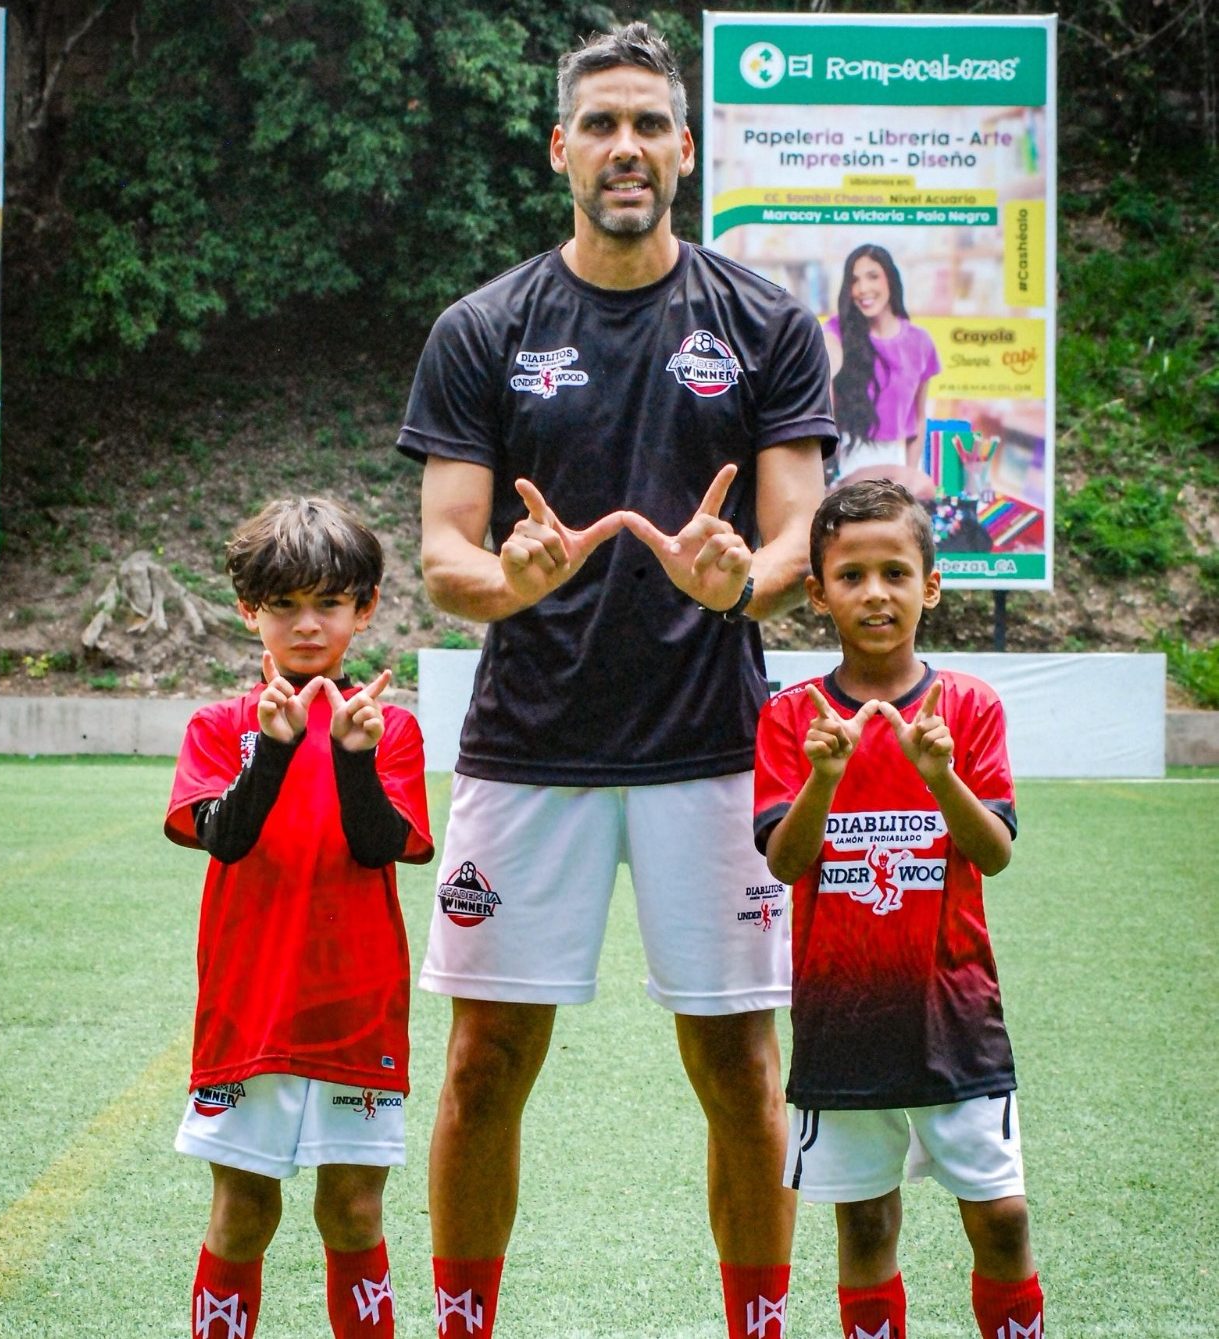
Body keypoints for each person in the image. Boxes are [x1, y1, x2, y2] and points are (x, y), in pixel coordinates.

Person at [396, 21, 835, 1338]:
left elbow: (790, 537)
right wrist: (507, 578)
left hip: (709, 743)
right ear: (558, 150)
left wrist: (738, 583)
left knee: (737, 1065)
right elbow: (439, 553)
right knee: (481, 1064)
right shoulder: (481, 328)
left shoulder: (765, 322)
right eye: (601, 123)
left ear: (685, 150)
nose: (626, 145)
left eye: (650, 122)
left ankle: (752, 1323)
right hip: (529, 744)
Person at [752, 480, 1044, 1339]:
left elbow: (992, 852)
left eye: (894, 572)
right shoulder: (790, 718)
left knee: (1000, 1218)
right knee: (866, 1226)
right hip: (842, 1024)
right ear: (816, 593)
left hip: (956, 1019)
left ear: (931, 585)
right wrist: (823, 778)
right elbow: (784, 861)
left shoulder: (968, 707)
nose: (874, 592)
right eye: (850, 575)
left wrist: (938, 774)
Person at [164, 497, 434, 1339]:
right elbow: (226, 837)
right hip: (249, 1007)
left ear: (366, 607)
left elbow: (380, 845)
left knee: (353, 1212)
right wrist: (274, 749)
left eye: (328, 603)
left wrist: (353, 758)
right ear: (250, 611)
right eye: (284, 605)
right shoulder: (220, 725)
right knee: (241, 1213)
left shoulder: (387, 728)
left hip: (355, 1007)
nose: (306, 625)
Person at [821, 244, 940, 502]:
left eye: (872, 276)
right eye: (855, 280)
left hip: (901, 466)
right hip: (849, 461)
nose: (863, 288)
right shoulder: (836, 332)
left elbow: (919, 418)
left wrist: (910, 471)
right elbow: (822, 397)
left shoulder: (920, 342)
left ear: (890, 279)